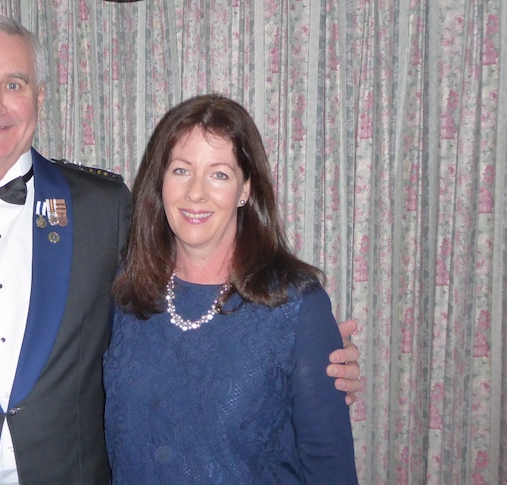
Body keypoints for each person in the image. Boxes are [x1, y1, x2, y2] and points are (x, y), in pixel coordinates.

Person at [0, 14, 361, 484]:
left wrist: (308, 355)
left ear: (39, 97)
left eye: (14, 84)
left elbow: (196, 286)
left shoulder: (104, 207)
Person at [104, 94, 359, 484]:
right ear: (160, 181)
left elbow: (329, 465)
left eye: (219, 174)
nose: (196, 193)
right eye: (181, 170)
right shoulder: (125, 290)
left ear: (245, 190)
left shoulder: (295, 306)